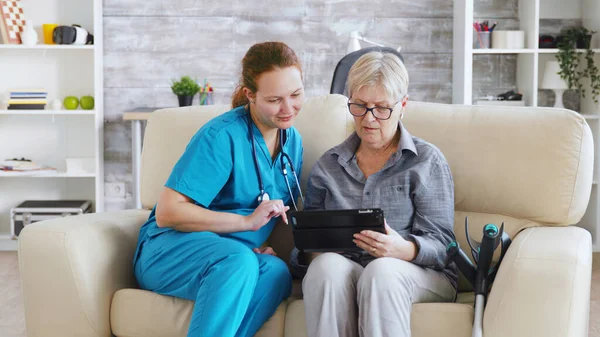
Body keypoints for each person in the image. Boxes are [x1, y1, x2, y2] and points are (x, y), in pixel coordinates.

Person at [132, 41, 305, 337]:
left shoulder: (293, 142)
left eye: (296, 94)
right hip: (170, 250)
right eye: (275, 99)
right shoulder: (221, 136)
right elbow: (168, 212)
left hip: (231, 256)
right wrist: (244, 225)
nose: (288, 108)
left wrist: (245, 247)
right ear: (250, 94)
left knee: (276, 273)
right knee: (237, 261)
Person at [294, 51, 458, 337]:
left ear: (402, 105)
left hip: (414, 272)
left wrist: (401, 248)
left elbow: (443, 247)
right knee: (325, 268)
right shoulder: (328, 166)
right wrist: (315, 249)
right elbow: (303, 249)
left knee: (381, 271)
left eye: (381, 108)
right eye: (359, 106)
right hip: (351, 269)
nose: (369, 119)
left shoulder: (426, 161)